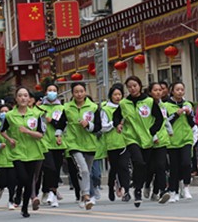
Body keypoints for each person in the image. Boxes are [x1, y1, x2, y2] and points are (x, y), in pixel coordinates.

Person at [113, 76, 165, 208]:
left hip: (146, 139)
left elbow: (159, 119)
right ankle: (137, 191)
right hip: (131, 137)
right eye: (129, 87)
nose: (132, 89)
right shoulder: (124, 103)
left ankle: (139, 187)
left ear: (140, 86)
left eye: (135, 86)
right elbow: (116, 116)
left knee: (144, 167)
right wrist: (117, 125)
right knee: (138, 162)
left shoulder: (149, 101)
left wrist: (152, 131)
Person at [1, 86, 45, 217]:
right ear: (16, 98)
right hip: (17, 152)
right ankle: (18, 195)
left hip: (33, 152)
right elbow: (2, 130)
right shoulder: (9, 115)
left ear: (29, 98)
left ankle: (25, 207)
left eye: (25, 95)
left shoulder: (36, 115)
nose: (23, 98)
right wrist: (10, 139)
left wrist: (28, 131)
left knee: (29, 180)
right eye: (20, 96)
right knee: (23, 178)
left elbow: (41, 134)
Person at [58, 82, 101, 210]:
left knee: (86, 172)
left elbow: (98, 127)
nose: (79, 94)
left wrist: (88, 125)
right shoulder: (67, 108)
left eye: (81, 91)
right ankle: (87, 195)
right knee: (84, 170)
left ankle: (83, 196)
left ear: (85, 92)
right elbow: (61, 124)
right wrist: (58, 136)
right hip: (73, 143)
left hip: (89, 144)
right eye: (76, 92)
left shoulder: (93, 107)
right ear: (72, 93)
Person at [99, 84, 131, 203]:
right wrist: (114, 123)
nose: (117, 97)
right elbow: (103, 127)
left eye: (119, 94)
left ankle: (126, 191)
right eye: (115, 94)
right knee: (114, 168)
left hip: (125, 141)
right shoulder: (106, 109)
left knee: (124, 167)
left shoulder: (125, 107)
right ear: (110, 96)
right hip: (112, 143)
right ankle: (111, 186)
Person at [165, 82, 196, 202]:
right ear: (172, 91)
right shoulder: (166, 105)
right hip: (172, 140)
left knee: (186, 163)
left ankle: (186, 186)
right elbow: (165, 122)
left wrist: (189, 114)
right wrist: (176, 114)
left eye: (182, 89)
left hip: (186, 138)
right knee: (174, 167)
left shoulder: (187, 104)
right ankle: (174, 191)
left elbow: (192, 122)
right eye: (177, 89)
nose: (180, 92)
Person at [38, 83, 67, 207]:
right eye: (49, 90)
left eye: (54, 90)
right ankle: (50, 191)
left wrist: (53, 122)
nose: (52, 92)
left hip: (58, 142)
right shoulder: (39, 108)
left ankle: (51, 191)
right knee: (49, 168)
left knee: (56, 169)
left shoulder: (62, 108)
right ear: (45, 92)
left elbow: (63, 125)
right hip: (44, 142)